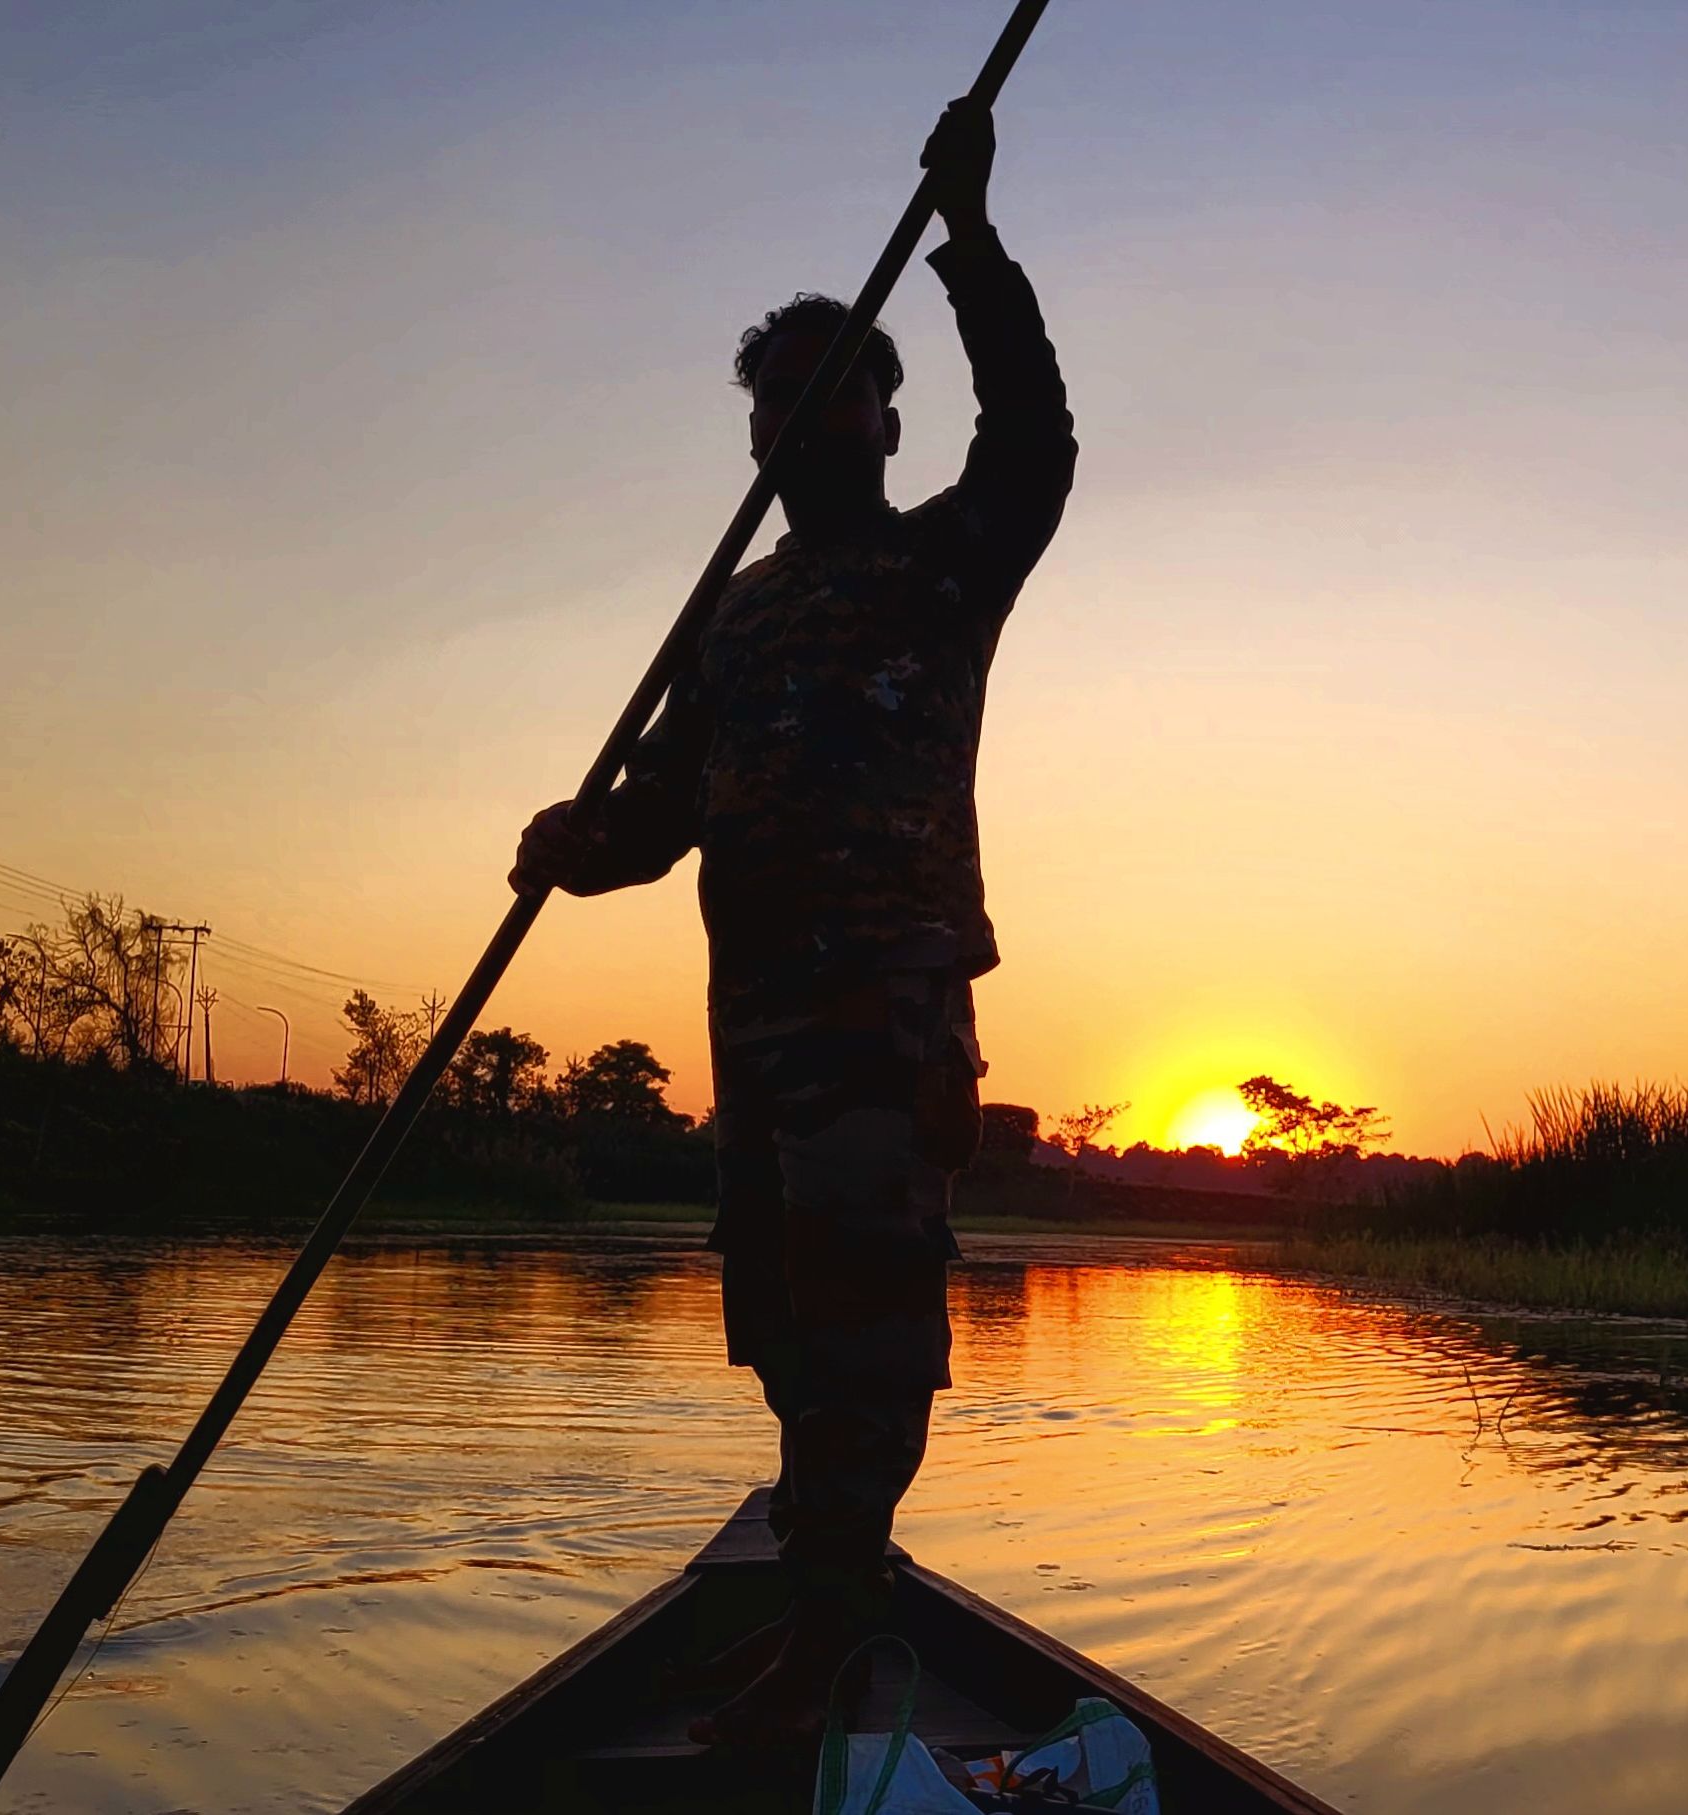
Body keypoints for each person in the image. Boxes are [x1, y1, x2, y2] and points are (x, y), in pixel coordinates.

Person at [508, 93, 1072, 1747]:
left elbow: (1033, 440)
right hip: (749, 1032)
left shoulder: (942, 567)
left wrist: (966, 238)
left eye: (834, 400)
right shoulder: (732, 623)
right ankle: (830, 1597)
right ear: (754, 438)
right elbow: (668, 819)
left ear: (882, 427)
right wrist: (570, 843)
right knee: (774, 1313)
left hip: (882, 1017)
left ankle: (831, 1631)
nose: (802, 425)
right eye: (776, 407)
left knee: (868, 1319)